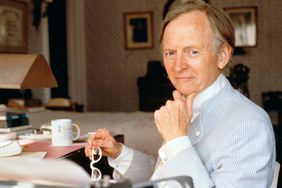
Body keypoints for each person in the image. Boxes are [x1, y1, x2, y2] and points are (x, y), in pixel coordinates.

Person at [85, 0, 276, 187]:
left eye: (192, 52)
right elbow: (165, 176)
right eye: (170, 53)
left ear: (222, 55)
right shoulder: (185, 106)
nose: (178, 66)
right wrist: (119, 153)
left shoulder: (249, 125)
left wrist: (176, 138)